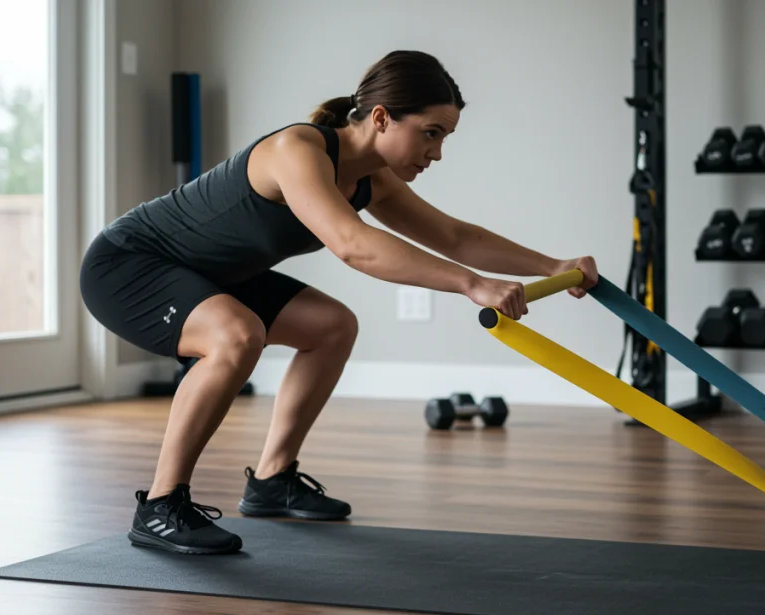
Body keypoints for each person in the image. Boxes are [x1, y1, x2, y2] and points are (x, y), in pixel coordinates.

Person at [79, 50, 598, 555]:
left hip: (209, 276)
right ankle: (161, 506)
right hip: (128, 266)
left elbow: (455, 235)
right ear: (381, 118)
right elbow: (352, 246)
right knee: (237, 335)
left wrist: (551, 266)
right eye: (431, 133)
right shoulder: (296, 150)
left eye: (444, 137)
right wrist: (470, 284)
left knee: (331, 326)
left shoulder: (371, 180)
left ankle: (271, 480)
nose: (436, 152)